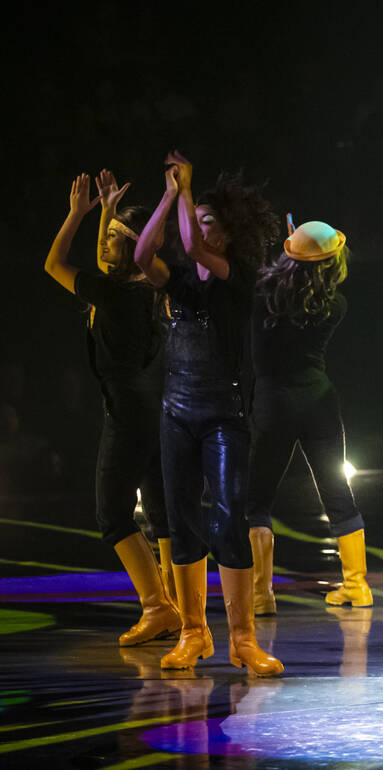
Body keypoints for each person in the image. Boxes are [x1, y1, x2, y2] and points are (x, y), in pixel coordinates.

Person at [134, 152, 283, 676]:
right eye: (197, 219)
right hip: (176, 411)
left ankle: (242, 639)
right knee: (180, 520)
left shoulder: (237, 274)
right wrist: (170, 196)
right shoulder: (178, 277)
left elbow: (194, 243)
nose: (200, 226)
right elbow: (142, 252)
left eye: (210, 219)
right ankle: (194, 633)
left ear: (228, 232)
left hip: (224, 414)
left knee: (229, 520)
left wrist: (189, 190)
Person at [43, 171, 178, 646]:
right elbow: (109, 260)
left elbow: (54, 263)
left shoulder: (113, 293)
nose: (105, 244)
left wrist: (78, 212)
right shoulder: (146, 289)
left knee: (112, 515)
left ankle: (158, 607)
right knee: (160, 511)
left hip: (129, 413)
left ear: (134, 248)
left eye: (117, 238)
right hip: (155, 411)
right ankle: (176, 607)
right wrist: (105, 213)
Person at [246, 218, 372, 615]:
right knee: (338, 495)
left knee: (258, 501)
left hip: (273, 405)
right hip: (318, 401)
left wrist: (291, 249)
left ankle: (261, 595)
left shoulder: (260, 294)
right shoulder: (337, 303)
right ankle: (357, 586)